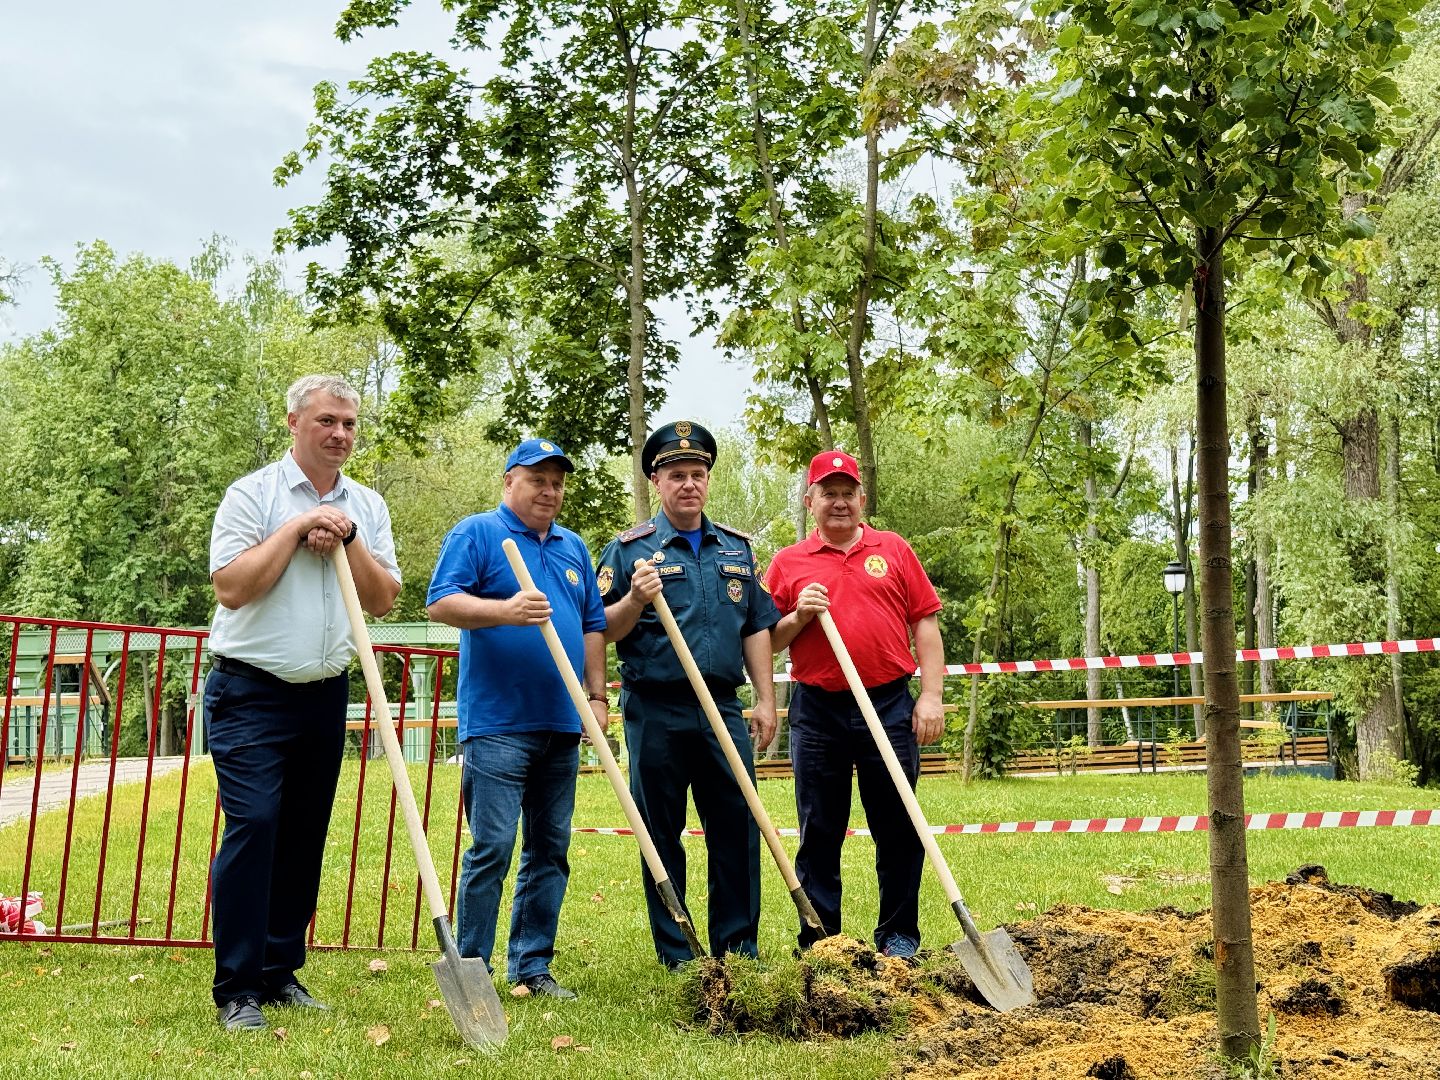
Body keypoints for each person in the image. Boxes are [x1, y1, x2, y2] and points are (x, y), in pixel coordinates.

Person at [206, 374, 402, 1032]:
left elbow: (380, 600)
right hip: (250, 689)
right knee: (256, 824)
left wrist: (347, 540)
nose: (340, 434)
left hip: (324, 694)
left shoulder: (367, 506)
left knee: (301, 836)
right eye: (326, 421)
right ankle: (237, 989)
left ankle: (279, 971)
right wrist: (296, 530)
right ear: (294, 423)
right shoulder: (251, 496)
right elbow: (233, 587)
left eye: (348, 423)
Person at [425, 438, 608, 1000]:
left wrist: (596, 696)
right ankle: (472, 969)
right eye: (537, 480)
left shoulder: (573, 546)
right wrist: (504, 611)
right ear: (509, 482)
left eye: (556, 483)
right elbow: (440, 602)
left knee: (550, 848)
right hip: (498, 724)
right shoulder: (479, 533)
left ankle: (531, 966)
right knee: (493, 847)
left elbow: (593, 625)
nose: (549, 491)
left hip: (561, 721)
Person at [596, 421, 780, 969]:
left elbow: (756, 627)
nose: (688, 485)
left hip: (721, 705)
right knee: (661, 833)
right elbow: (601, 628)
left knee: (738, 826)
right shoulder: (630, 552)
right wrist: (634, 599)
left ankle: (738, 948)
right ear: (656, 480)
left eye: (697, 474)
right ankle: (678, 952)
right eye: (676, 475)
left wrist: (765, 699)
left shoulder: (738, 550)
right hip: (656, 708)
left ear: (707, 479)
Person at [764, 449, 945, 959]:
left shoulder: (894, 550)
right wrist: (799, 615)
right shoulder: (788, 563)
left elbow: (925, 624)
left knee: (898, 823)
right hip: (817, 708)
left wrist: (930, 696)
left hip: (888, 704)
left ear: (862, 499)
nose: (839, 502)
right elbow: (767, 640)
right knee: (819, 828)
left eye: (848, 493)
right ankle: (823, 941)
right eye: (829, 493)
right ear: (810, 501)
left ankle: (899, 936)